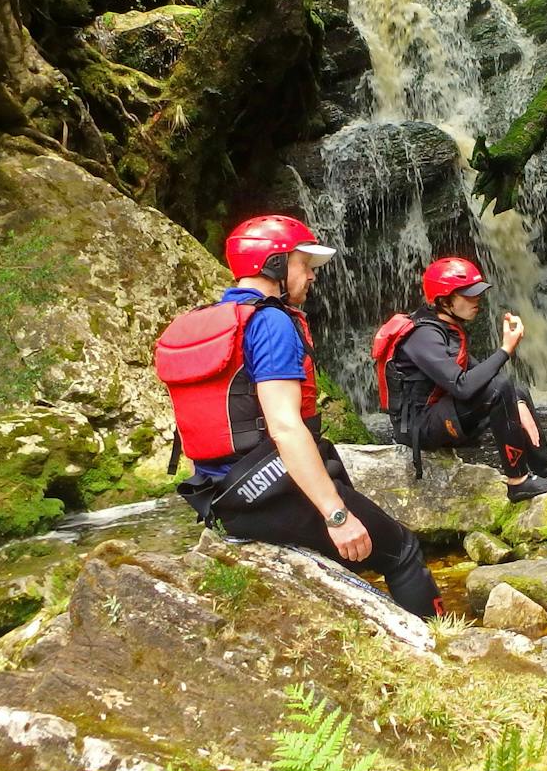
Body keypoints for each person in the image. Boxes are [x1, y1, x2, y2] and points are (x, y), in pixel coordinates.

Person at [156, 214, 442, 617]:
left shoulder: (207, 322)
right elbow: (285, 426)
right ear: (274, 265)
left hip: (216, 494)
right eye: (303, 266)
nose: (311, 277)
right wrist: (336, 514)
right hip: (267, 489)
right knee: (403, 552)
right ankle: (445, 648)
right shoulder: (271, 322)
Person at [385, 256, 547, 501]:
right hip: (418, 428)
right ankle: (518, 481)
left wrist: (517, 402)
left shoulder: (446, 328)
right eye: (468, 295)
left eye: (476, 293)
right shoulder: (423, 336)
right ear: (445, 301)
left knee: (515, 389)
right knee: (501, 388)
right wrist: (506, 349)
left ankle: (546, 478)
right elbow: (463, 387)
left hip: (440, 415)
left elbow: (481, 375)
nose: (477, 300)